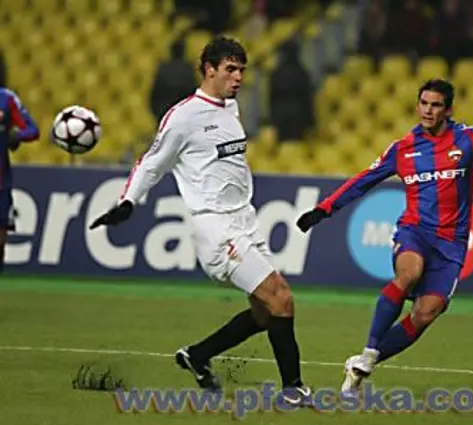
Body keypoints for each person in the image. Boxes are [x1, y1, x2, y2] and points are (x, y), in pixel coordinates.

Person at [89, 36, 311, 405]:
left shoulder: (230, 108)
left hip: (245, 221)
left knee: (264, 313)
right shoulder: (184, 117)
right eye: (230, 69)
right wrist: (128, 201)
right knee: (282, 299)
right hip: (216, 227)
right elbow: (152, 162)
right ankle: (293, 389)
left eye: (241, 69)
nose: (238, 77)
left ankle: (197, 355)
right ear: (209, 70)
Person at [296, 78, 473, 395]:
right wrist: (324, 209)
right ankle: (369, 349)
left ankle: (363, 364)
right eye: (424, 103)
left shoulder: (469, 139)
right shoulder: (403, 148)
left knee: (425, 313)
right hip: (414, 232)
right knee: (409, 272)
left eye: (435, 105)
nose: (428, 110)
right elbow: (365, 180)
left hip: (451, 245)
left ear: (448, 110)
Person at [0, 77, 40, 274]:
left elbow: (33, 130)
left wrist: (16, 136)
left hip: (1, 184)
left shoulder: (6, 99)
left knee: (1, 241)